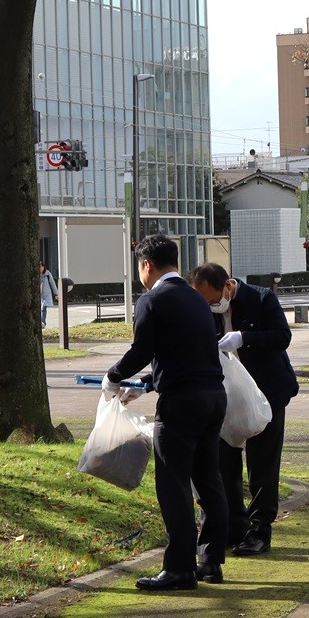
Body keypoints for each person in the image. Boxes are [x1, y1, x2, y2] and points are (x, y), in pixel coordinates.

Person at [104, 235, 228, 590]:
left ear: (147, 265)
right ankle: (211, 562)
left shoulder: (152, 299)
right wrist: (144, 383)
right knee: (208, 480)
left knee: (173, 484)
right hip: (213, 396)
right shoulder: (196, 299)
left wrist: (113, 378)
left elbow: (143, 348)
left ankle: (178, 569)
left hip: (181, 404)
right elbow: (183, 353)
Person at [188, 262, 298, 556]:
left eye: (213, 299)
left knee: (263, 463)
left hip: (266, 393)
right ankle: (233, 527)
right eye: (204, 301)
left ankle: (260, 529)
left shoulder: (261, 298)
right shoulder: (202, 310)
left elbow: (281, 337)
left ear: (227, 286)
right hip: (224, 395)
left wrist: (243, 338)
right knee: (224, 463)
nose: (211, 305)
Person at [39, 262, 59, 327]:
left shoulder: (47, 274)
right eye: (40, 267)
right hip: (39, 295)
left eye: (42, 266)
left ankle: (43, 322)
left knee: (43, 307)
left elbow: (52, 283)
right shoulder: (36, 275)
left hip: (47, 294)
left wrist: (56, 293)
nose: (41, 268)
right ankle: (41, 322)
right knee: (41, 308)